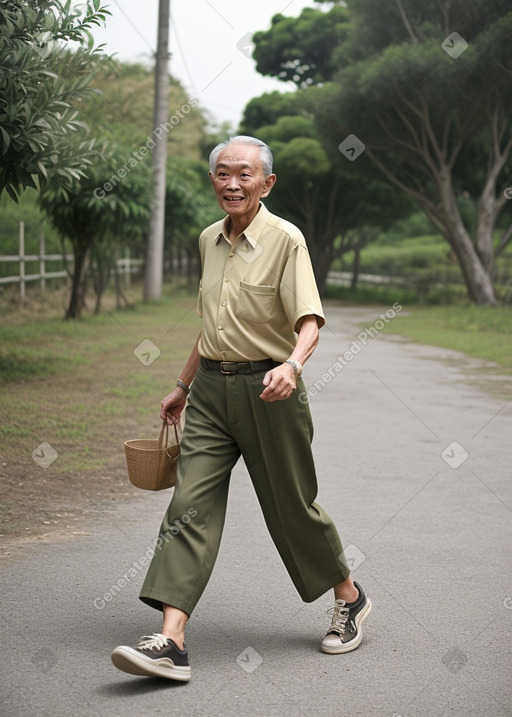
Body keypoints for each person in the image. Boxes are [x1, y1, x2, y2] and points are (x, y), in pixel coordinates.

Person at [111, 136, 371, 682]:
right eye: (223, 174)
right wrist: (182, 385)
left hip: (270, 391)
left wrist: (292, 365)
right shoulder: (210, 239)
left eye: (245, 175)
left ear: (266, 183)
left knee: (291, 507)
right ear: (213, 181)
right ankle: (171, 639)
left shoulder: (286, 240)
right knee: (189, 503)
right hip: (209, 393)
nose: (232, 183)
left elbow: (309, 321)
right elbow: (212, 324)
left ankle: (348, 597)